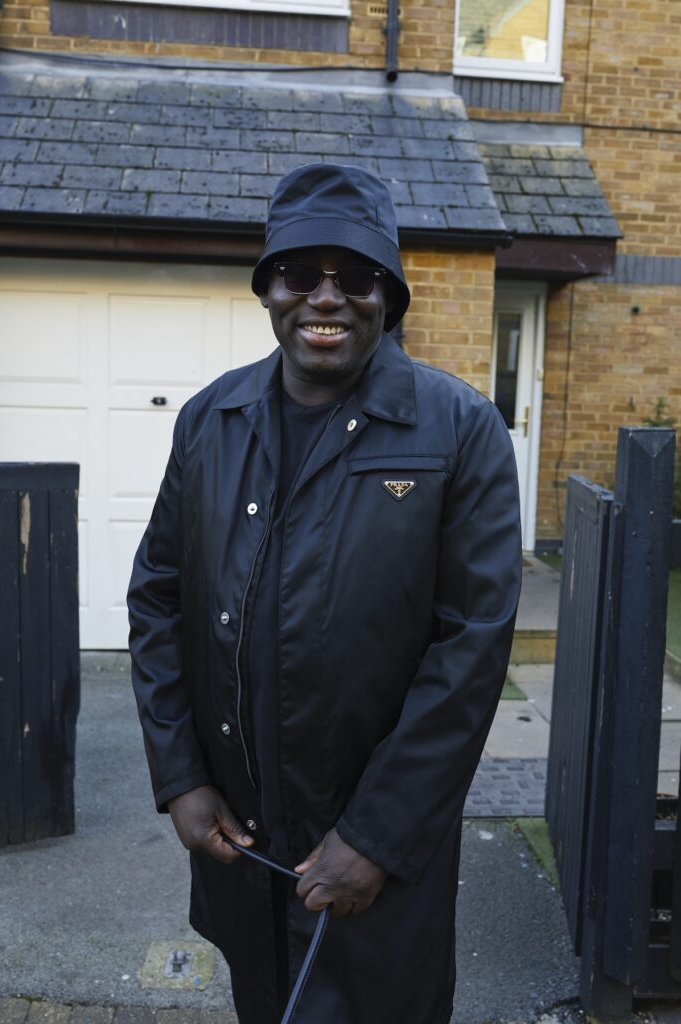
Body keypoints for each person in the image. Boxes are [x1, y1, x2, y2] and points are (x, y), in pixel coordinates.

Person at [127, 162, 522, 1024]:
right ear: (269, 286)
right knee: (264, 1001)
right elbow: (159, 598)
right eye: (301, 272)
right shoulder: (210, 420)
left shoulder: (458, 431)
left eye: (358, 277)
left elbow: (471, 648)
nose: (326, 298)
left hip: (377, 852)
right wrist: (181, 777)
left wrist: (374, 838)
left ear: (390, 295)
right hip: (245, 839)